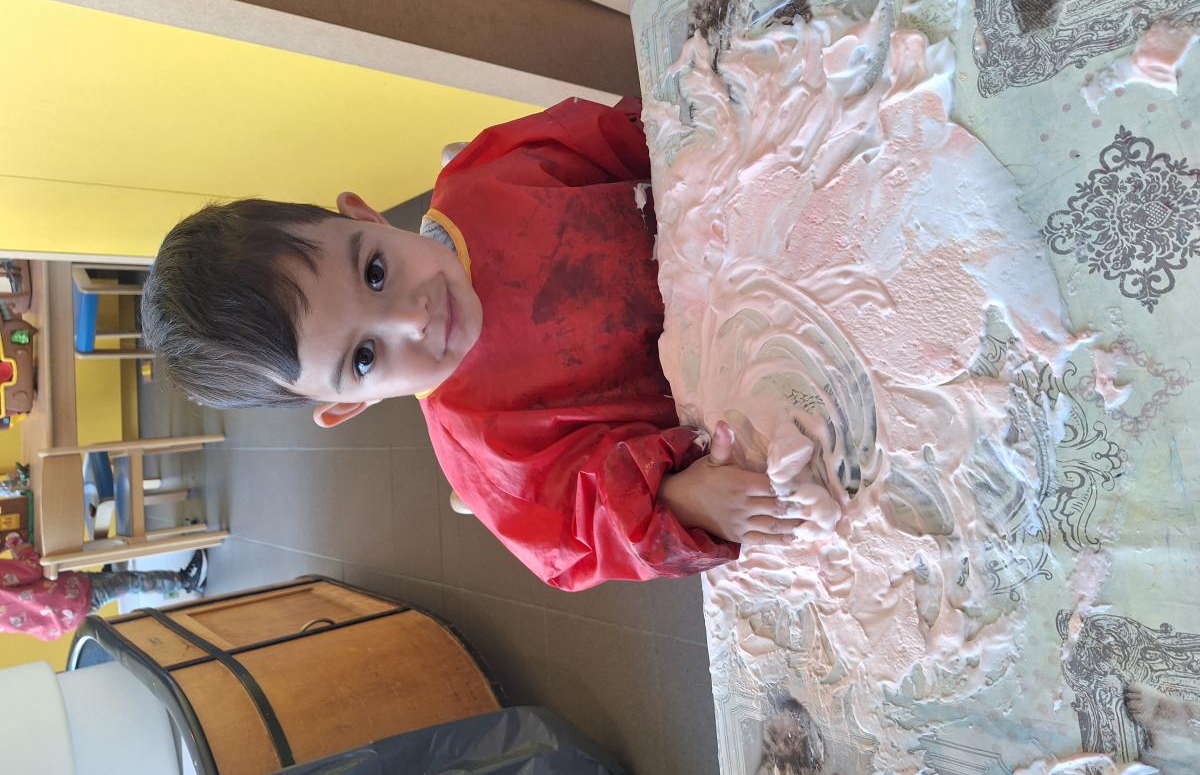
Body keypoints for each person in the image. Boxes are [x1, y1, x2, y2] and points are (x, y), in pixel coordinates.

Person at [141, 97, 805, 591]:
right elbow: (586, 534)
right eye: (364, 357)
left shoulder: (496, 173)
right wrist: (686, 501)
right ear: (348, 406)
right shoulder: (491, 460)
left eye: (375, 271)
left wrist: (710, 144)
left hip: (776, 215)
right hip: (777, 389)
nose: (413, 316)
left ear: (366, 216)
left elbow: (634, 134)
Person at [0, 533, 206, 641]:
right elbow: (33, 568)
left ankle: (110, 574)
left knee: (112, 582)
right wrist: (17, 543)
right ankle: (185, 581)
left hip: (60, 617)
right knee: (131, 582)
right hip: (68, 597)